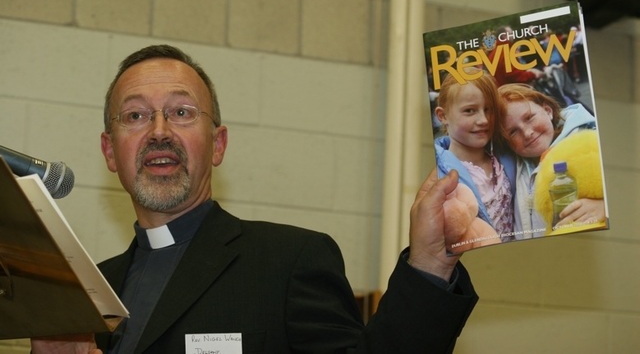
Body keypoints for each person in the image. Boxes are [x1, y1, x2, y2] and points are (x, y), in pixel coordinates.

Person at [32, 44, 478, 354]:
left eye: (182, 112)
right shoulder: (87, 296)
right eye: (136, 116)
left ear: (218, 144)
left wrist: (429, 266)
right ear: (110, 151)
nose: (160, 131)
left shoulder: (288, 262)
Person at [497, 83, 606, 239]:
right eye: (513, 132)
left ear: (548, 110)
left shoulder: (591, 141)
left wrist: (605, 207)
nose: (527, 133)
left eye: (529, 118)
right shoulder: (513, 167)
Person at [433, 71, 516, 251]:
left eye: (488, 109)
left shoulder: (508, 154)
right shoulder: (439, 175)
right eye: (470, 111)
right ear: (442, 116)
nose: (483, 120)